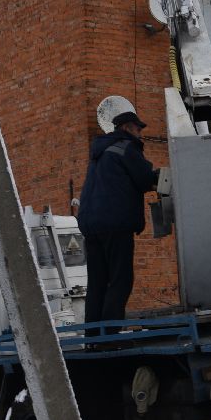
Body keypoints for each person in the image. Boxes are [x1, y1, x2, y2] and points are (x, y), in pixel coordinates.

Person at [76, 110, 158, 325]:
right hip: (115, 223)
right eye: (138, 128)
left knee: (98, 282)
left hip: (91, 225)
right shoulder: (126, 147)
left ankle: (94, 335)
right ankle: (111, 333)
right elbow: (145, 179)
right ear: (127, 128)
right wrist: (160, 176)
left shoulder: (100, 152)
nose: (140, 133)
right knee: (121, 279)